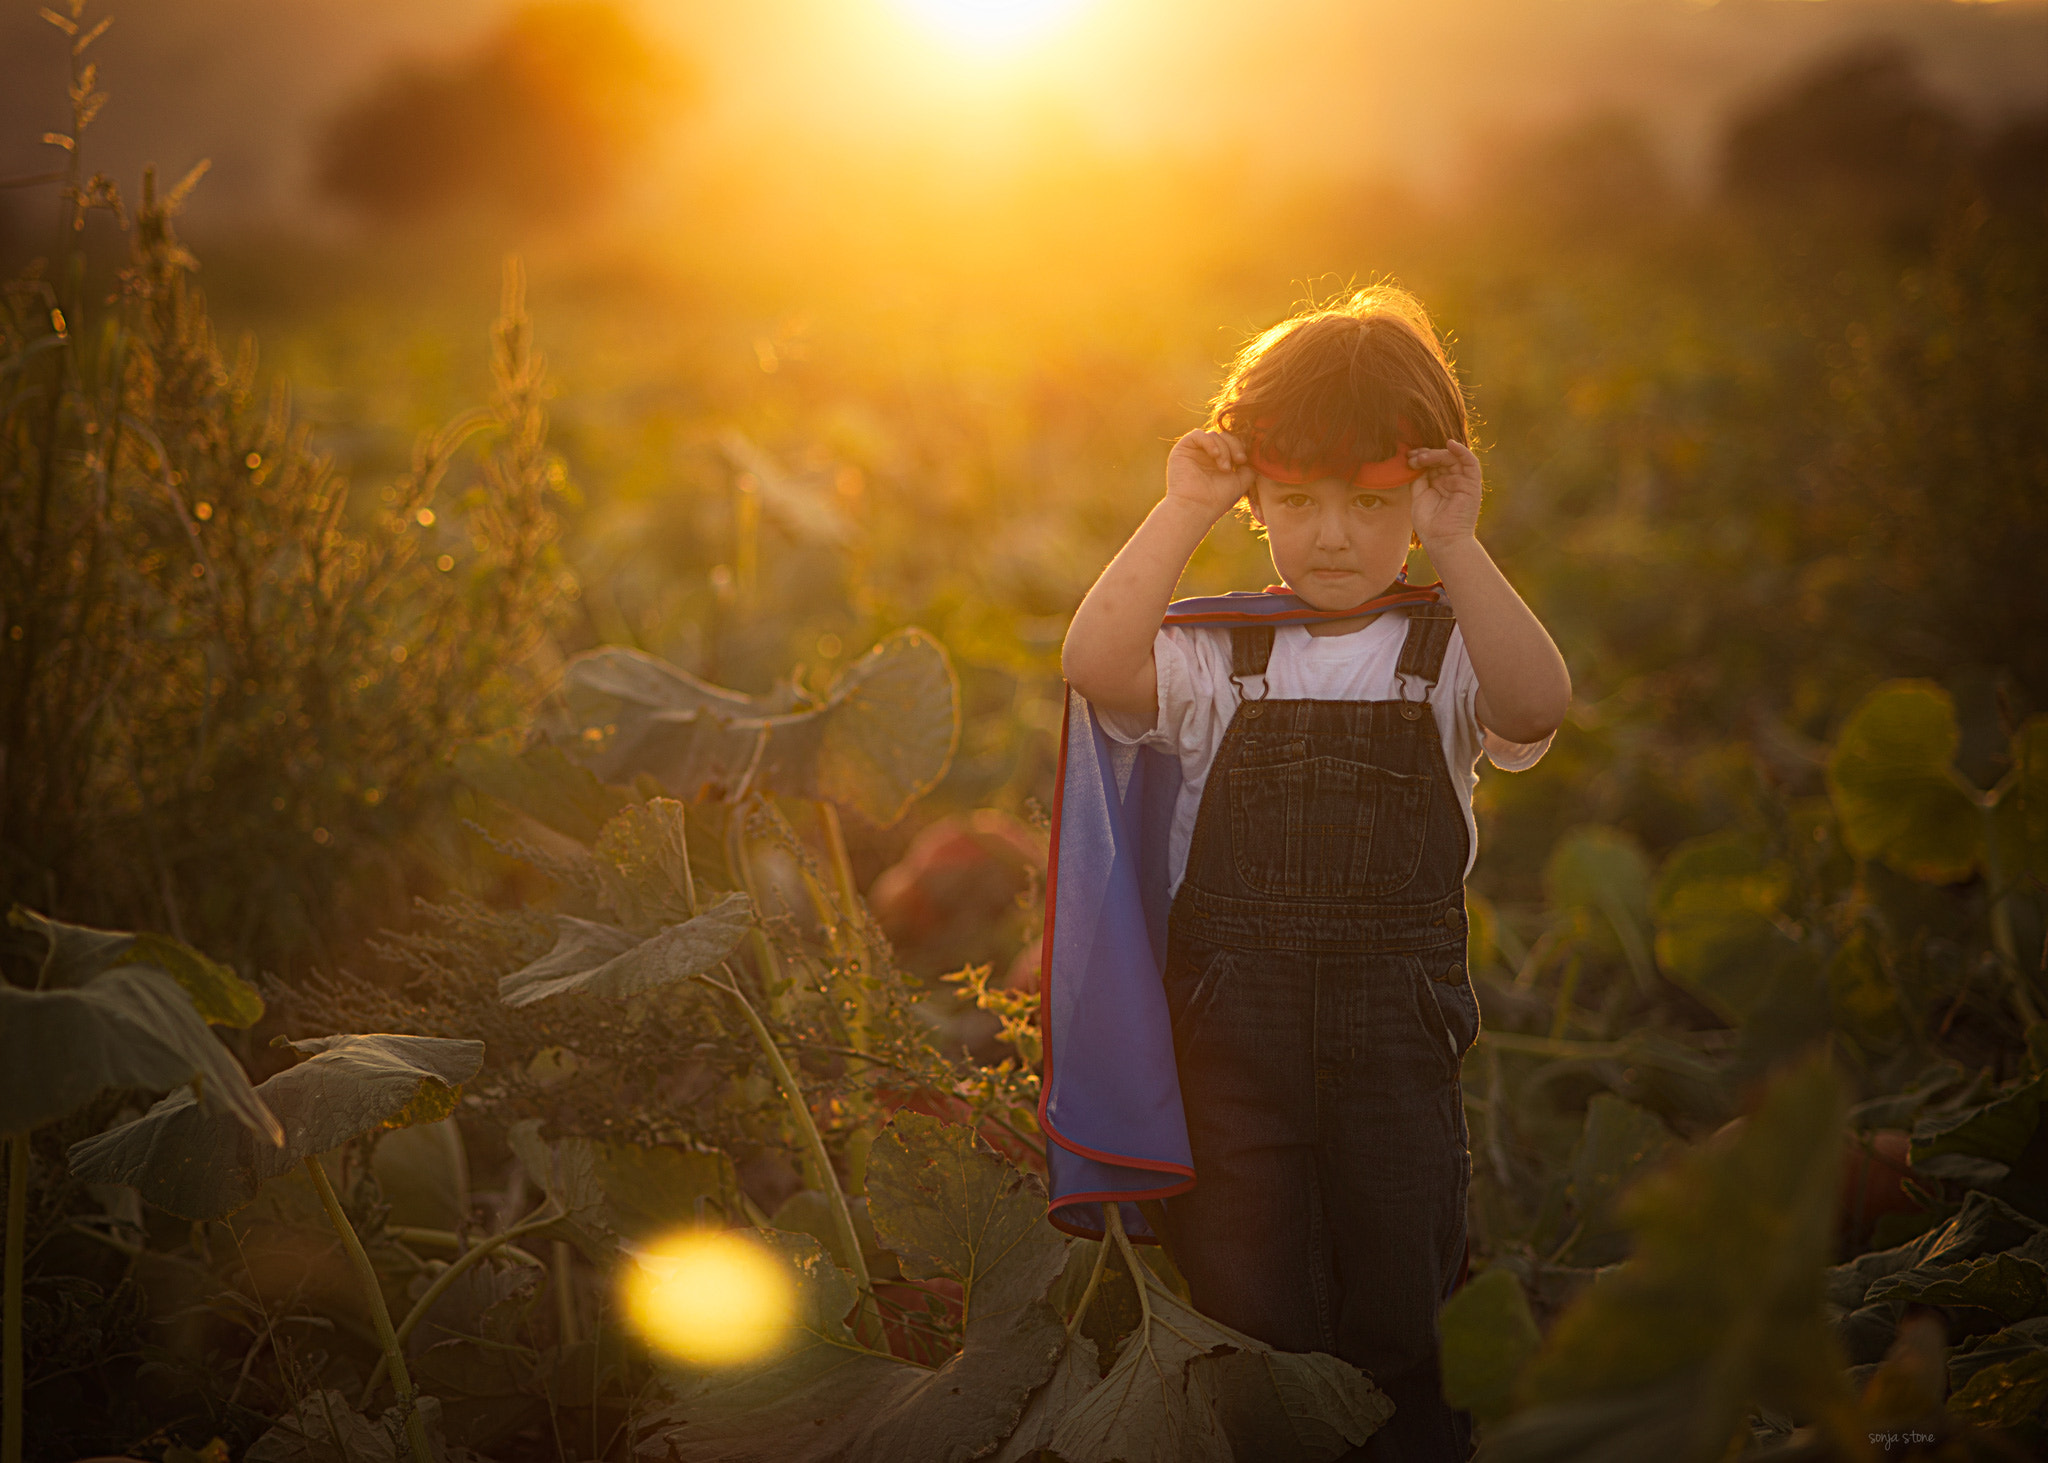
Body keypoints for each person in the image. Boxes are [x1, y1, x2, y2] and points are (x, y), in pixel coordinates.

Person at [1054, 285, 1570, 1460]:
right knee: (1249, 1304)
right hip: (1231, 1038)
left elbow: (1536, 702)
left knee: (1402, 1298)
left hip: (1397, 1035)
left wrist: (1457, 543)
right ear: (1255, 497)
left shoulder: (1443, 652)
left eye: (1370, 501)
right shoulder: (1212, 654)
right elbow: (1092, 661)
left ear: (1423, 491)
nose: (1331, 533)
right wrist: (1181, 504)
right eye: (1294, 500)